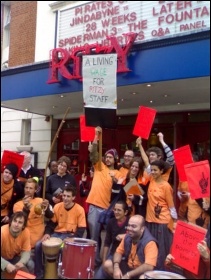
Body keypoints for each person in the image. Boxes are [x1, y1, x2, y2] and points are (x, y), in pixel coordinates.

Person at [86, 126, 123, 267]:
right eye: (106, 156)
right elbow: (94, 154)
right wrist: (97, 135)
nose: (107, 159)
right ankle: (94, 262)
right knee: (94, 238)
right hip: (95, 207)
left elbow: (120, 191)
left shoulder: (118, 173)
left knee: (109, 238)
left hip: (109, 210)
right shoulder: (99, 166)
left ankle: (107, 262)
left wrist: (116, 182)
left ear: (115, 159)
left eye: (110, 157)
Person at [34, 184, 86, 278]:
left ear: (73, 197)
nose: (65, 198)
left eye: (68, 196)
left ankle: (62, 275)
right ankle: (39, 274)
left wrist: (70, 239)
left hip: (70, 236)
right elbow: (51, 224)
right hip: (56, 234)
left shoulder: (80, 209)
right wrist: (47, 233)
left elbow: (81, 231)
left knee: (62, 248)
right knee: (38, 245)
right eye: (64, 195)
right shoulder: (57, 206)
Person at [145, 160, 177, 271]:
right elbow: (146, 163)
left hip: (162, 222)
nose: (152, 172)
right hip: (150, 221)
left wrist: (174, 222)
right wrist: (139, 145)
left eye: (155, 170)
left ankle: (162, 274)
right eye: (152, 170)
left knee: (162, 251)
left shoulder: (166, 186)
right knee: (151, 249)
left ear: (161, 171)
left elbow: (171, 206)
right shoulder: (151, 180)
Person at [103, 215, 158, 279]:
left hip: (142, 271)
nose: (129, 229)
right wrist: (116, 267)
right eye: (128, 225)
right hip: (130, 267)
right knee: (107, 264)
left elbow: (149, 266)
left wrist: (129, 275)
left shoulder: (150, 242)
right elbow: (118, 252)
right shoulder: (127, 236)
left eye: (133, 226)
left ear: (142, 229)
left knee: (142, 278)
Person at [94, 200, 131, 279]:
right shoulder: (111, 222)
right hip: (113, 254)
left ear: (125, 212)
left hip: (127, 256)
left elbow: (138, 236)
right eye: (115, 209)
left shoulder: (130, 222)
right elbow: (107, 242)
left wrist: (125, 236)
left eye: (119, 210)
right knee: (98, 276)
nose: (116, 212)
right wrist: (104, 261)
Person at [13, 178, 53, 248]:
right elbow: (20, 222)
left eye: (31, 188)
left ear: (35, 190)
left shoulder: (41, 200)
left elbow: (50, 216)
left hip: (40, 241)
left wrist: (46, 208)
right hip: (24, 242)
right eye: (26, 187)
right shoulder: (17, 205)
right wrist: (25, 208)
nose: (28, 190)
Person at [1, 211, 34, 277]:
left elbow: (26, 251)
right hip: (2, 259)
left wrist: (22, 262)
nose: (16, 224)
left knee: (31, 264)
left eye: (20, 222)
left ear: (23, 225)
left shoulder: (26, 232)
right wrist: (6, 265)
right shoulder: (2, 232)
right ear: (11, 222)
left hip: (14, 257)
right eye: (15, 221)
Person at [79, 167, 94, 238]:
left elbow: (89, 193)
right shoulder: (90, 182)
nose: (90, 171)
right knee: (89, 231)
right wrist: (83, 182)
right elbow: (82, 193)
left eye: (92, 170)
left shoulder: (99, 182)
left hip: (94, 209)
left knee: (94, 233)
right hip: (88, 209)